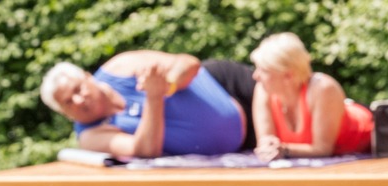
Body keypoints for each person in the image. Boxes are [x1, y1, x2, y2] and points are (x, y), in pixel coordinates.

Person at [248, 32, 388, 162]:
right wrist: (269, 147)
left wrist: (283, 150)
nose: (255, 75)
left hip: (365, 134)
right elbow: (265, 143)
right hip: (339, 148)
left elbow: (322, 149)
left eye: (263, 70)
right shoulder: (263, 90)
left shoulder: (322, 88)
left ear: (288, 75)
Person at [40, 52, 258, 158]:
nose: (79, 100)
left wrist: (168, 85)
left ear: (89, 77)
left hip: (229, 85)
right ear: (65, 114)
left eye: (78, 89)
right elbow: (145, 151)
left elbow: (188, 63)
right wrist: (154, 97)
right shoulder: (90, 136)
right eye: (68, 102)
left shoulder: (120, 66)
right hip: (243, 146)